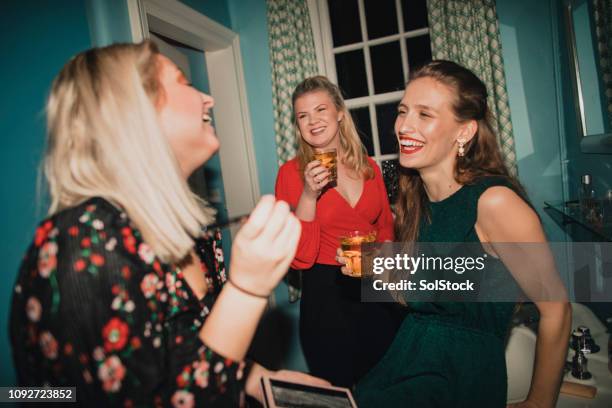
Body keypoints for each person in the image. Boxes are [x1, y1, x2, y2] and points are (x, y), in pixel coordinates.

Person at [9, 41, 328, 407]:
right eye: (184, 82)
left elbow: (186, 351)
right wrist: (249, 289)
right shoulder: (82, 242)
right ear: (135, 111)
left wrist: (259, 379)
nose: (207, 97)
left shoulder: (191, 233)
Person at [340, 61, 571, 407]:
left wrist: (539, 402)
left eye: (424, 114)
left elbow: (557, 310)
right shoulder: (417, 199)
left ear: (464, 132)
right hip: (408, 368)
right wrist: (380, 268)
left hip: (458, 382)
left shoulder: (493, 202)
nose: (404, 125)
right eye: (403, 111)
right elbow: (442, 293)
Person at [275, 76, 403, 388]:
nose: (313, 121)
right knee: (342, 390)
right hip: (327, 298)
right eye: (303, 116)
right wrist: (309, 194)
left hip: (376, 288)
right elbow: (300, 260)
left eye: (320, 110)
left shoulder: (368, 165)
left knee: (389, 385)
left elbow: (385, 226)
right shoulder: (290, 174)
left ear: (339, 113)